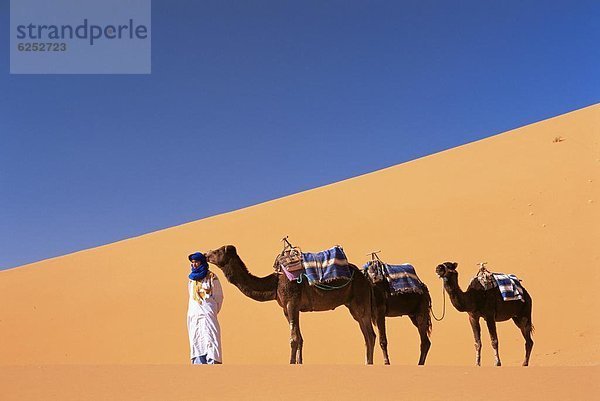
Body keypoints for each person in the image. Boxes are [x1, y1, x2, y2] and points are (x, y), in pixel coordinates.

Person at [186, 252, 224, 364]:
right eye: (192, 262)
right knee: (196, 342)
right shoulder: (191, 279)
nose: (194, 265)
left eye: (196, 262)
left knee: (211, 341)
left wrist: (210, 310)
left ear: (202, 262)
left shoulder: (212, 277)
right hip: (194, 315)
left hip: (208, 315)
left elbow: (219, 297)